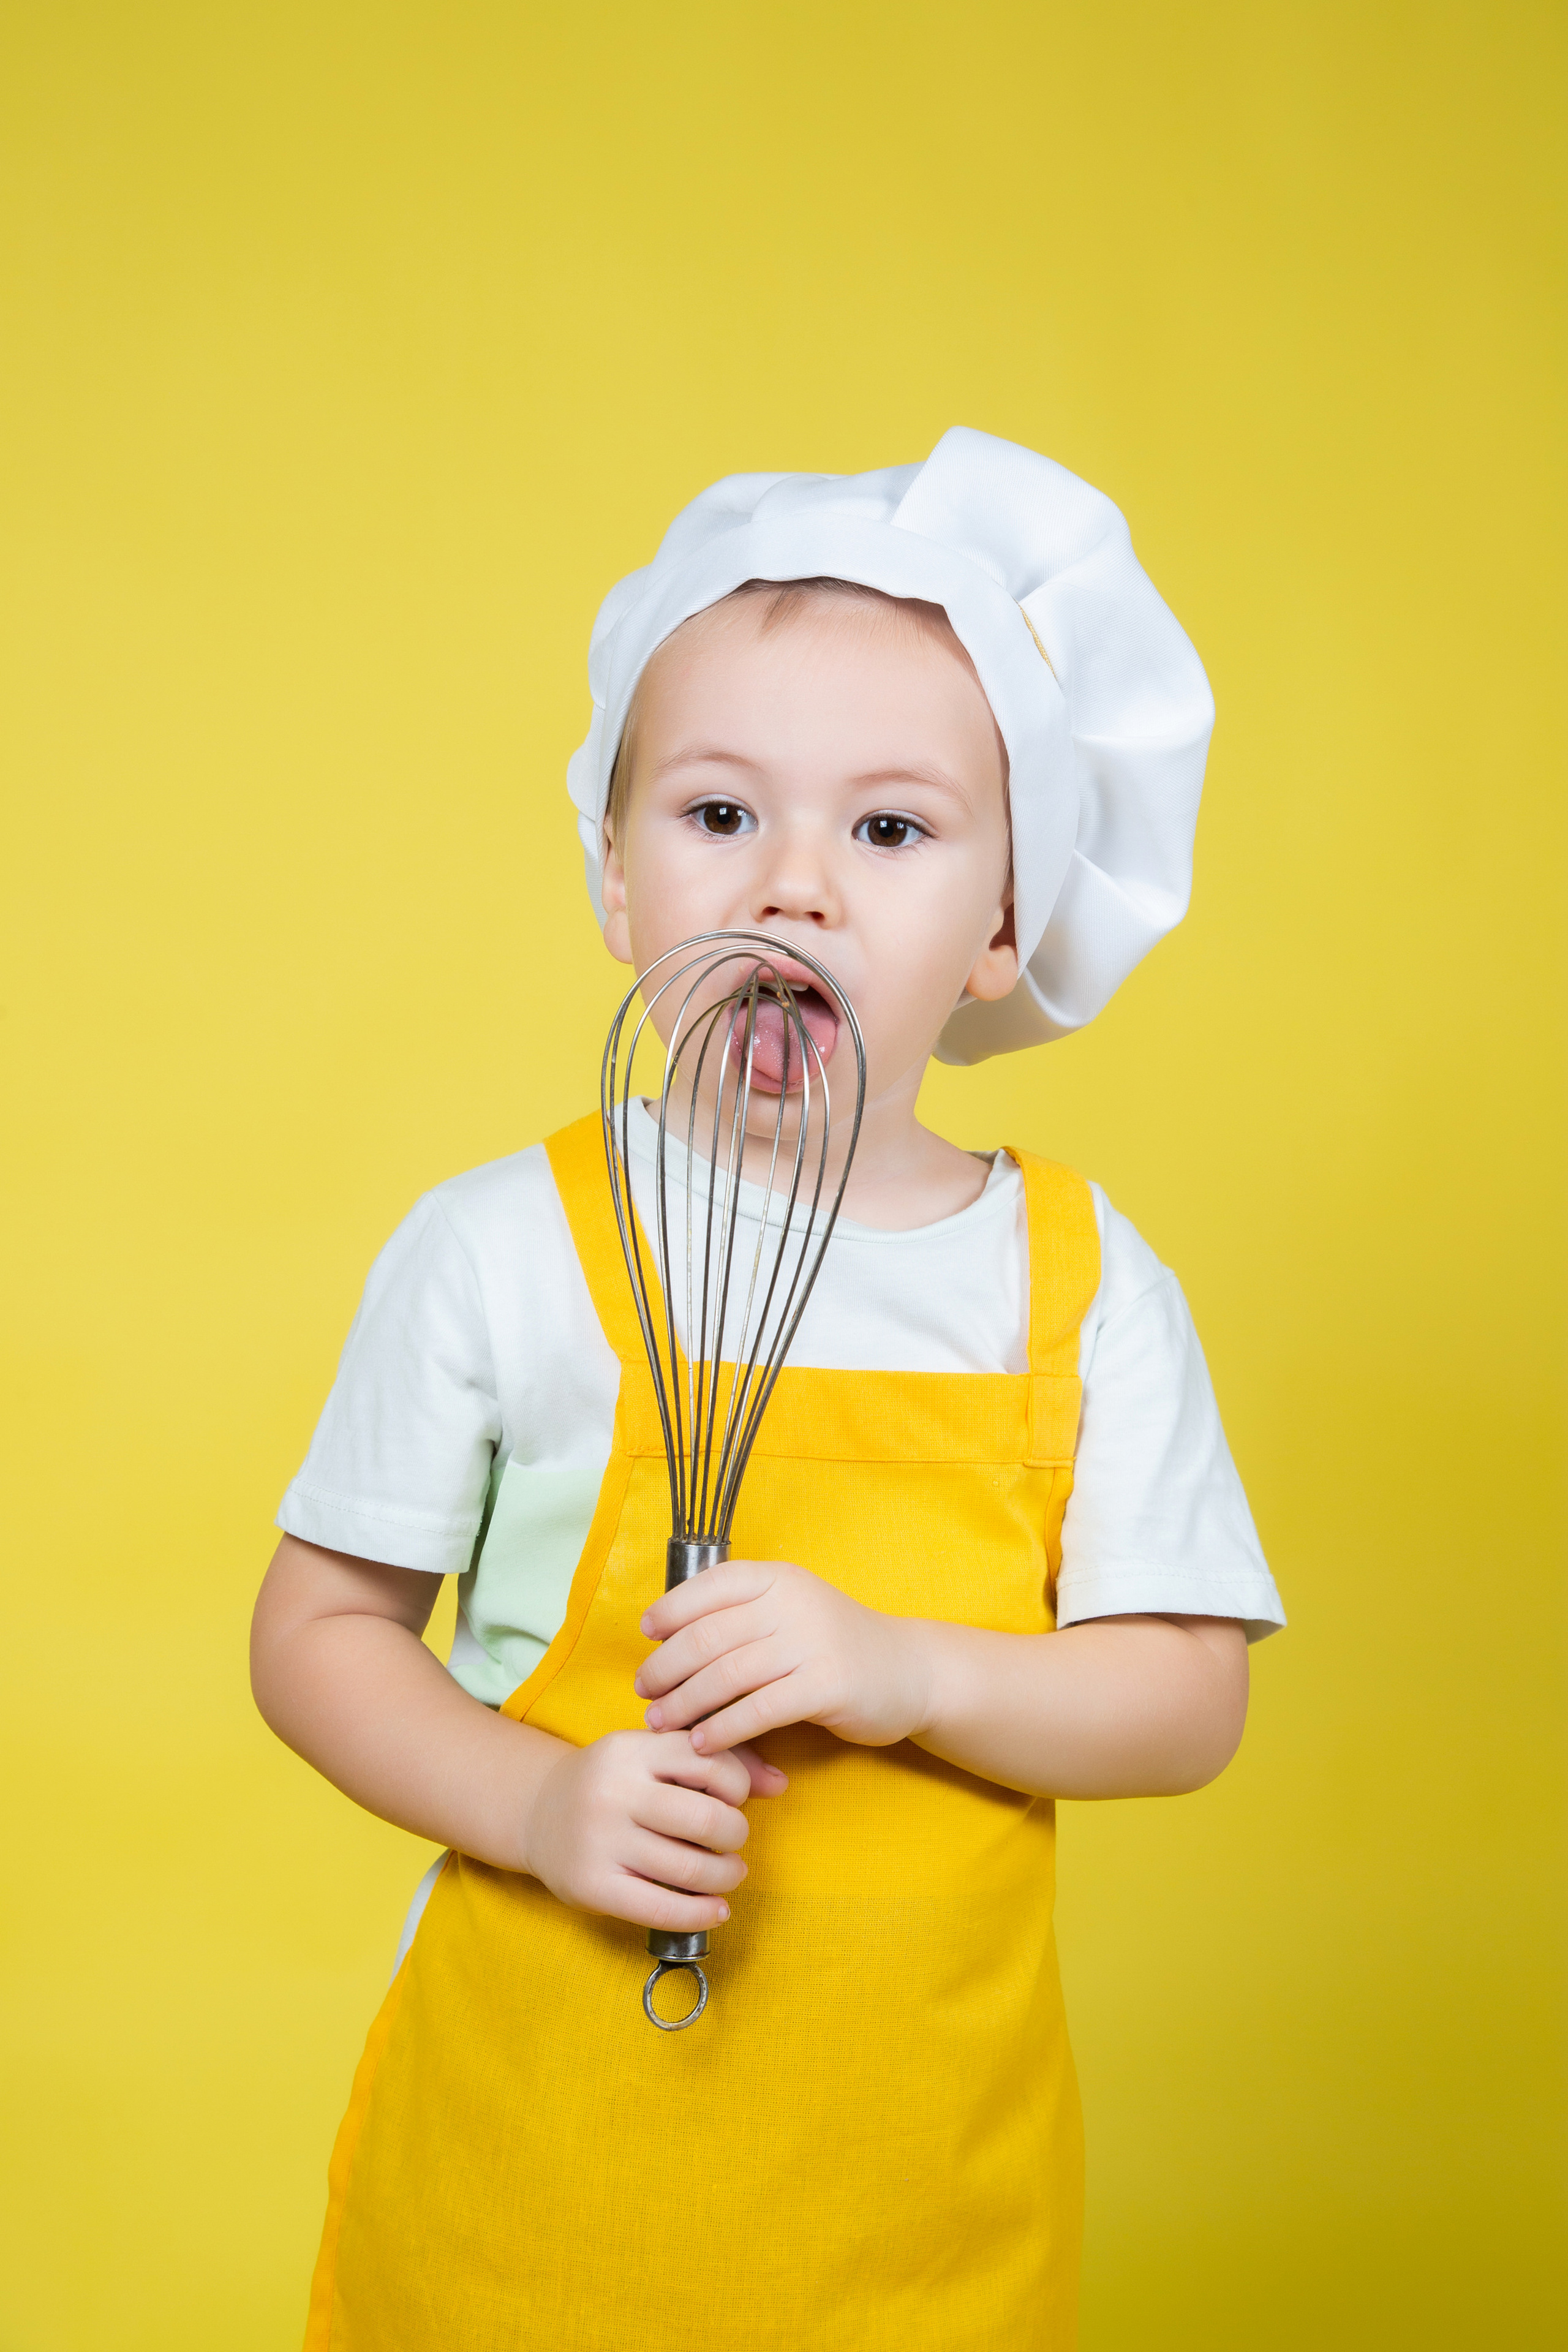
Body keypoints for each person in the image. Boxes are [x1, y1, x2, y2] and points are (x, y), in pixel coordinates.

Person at [252, 426, 1284, 2351]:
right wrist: (545, 1805)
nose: (794, 889)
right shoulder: (505, 1248)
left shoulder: (1079, 1286)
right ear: (616, 881)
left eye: (888, 832)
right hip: (526, 2208)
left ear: (1003, 928)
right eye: (721, 816)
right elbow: (317, 1631)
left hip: (925, 2237)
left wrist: (908, 1671)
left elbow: (1186, 1699)